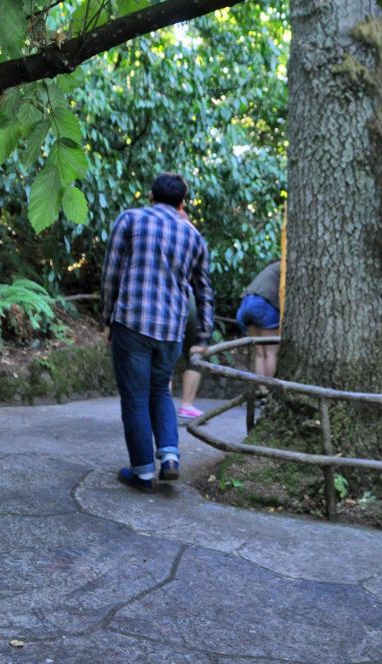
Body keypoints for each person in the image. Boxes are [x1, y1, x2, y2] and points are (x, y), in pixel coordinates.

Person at [101, 173, 214, 493]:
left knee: (135, 398)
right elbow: (204, 290)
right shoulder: (193, 236)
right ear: (182, 203)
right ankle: (170, 457)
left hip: (132, 322)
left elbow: (111, 273)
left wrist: (107, 318)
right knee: (161, 391)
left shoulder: (130, 220)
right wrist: (203, 336)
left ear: (150, 195)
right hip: (171, 330)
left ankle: (142, 473)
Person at [236, 260, 281, 378]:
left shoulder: (270, 268)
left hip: (245, 304)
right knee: (270, 353)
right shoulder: (285, 266)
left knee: (259, 354)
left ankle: (261, 387)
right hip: (262, 306)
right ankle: (268, 386)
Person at [177, 294, 204, 420]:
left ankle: (159, 408)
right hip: (189, 301)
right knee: (196, 354)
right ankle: (186, 405)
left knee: (162, 359)